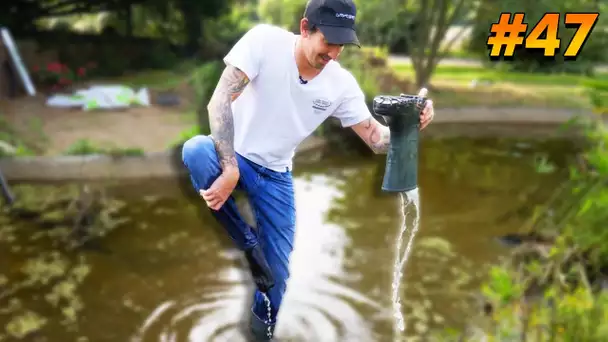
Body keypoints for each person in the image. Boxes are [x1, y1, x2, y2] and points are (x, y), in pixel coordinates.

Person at [181, 0, 435, 339]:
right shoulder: (264, 42)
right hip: (234, 155)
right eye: (328, 41)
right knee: (195, 150)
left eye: (341, 44)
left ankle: (261, 333)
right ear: (305, 29)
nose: (333, 52)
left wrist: (409, 127)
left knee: (277, 279)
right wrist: (229, 169)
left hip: (276, 175)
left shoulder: (340, 85)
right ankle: (246, 243)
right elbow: (219, 101)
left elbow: (376, 139)